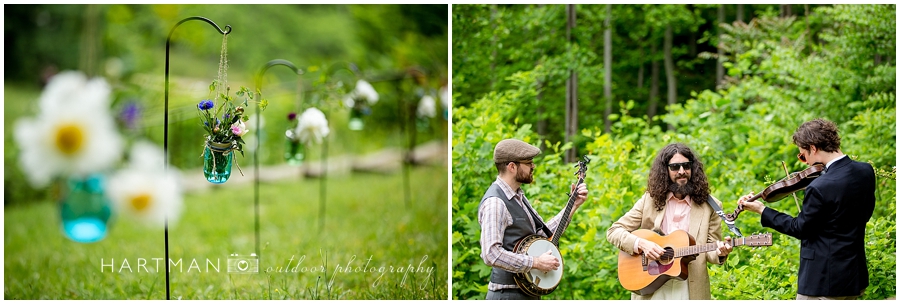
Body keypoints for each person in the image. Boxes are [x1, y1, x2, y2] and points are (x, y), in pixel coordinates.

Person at [738, 118, 875, 300]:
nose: (805, 163)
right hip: (853, 275)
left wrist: (762, 210)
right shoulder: (865, 171)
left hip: (822, 281)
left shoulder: (820, 187)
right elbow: (865, 214)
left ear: (813, 148)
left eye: (803, 155)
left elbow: (799, 228)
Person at [606, 143, 733, 300]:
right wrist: (641, 244)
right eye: (675, 167)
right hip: (651, 284)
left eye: (686, 166)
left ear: (693, 168)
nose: (681, 171)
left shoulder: (711, 206)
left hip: (690, 287)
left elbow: (711, 248)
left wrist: (720, 253)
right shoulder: (649, 200)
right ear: (665, 170)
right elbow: (614, 231)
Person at [478, 138, 589, 300]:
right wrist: (535, 262)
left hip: (526, 293)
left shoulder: (518, 197)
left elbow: (543, 236)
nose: (533, 166)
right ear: (512, 167)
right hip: (507, 295)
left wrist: (572, 206)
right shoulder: (496, 202)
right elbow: (490, 253)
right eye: (528, 162)